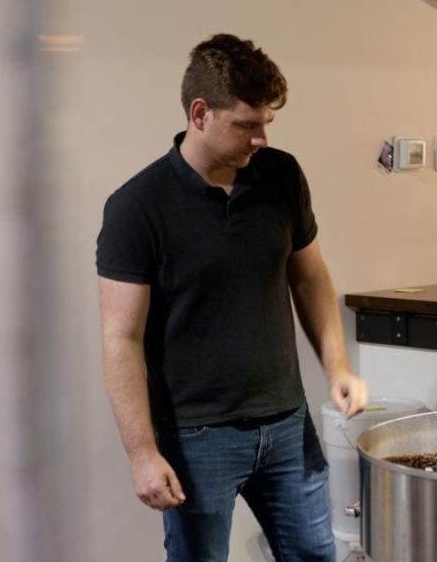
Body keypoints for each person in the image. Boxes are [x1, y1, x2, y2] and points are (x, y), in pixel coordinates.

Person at [96, 33, 368, 562]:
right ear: (200, 114)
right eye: (246, 124)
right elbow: (119, 338)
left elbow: (310, 277)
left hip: (287, 425)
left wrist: (336, 367)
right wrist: (142, 453)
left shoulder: (280, 175)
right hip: (196, 437)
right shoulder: (137, 207)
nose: (260, 138)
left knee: (317, 555)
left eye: (267, 122)